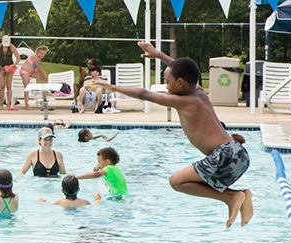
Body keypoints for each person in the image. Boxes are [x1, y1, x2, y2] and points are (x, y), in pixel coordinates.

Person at [94, 41, 252, 228]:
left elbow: (144, 93)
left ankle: (232, 197)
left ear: (180, 83)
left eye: (167, 82)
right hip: (238, 153)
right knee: (182, 181)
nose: (166, 87)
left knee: (176, 181)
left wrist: (111, 87)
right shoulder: (200, 92)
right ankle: (237, 195)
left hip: (224, 154)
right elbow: (186, 69)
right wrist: (159, 54)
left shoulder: (185, 102)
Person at [0, 35, 21, 111]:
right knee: (2, 86)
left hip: (10, 66)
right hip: (1, 67)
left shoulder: (12, 47)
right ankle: (1, 105)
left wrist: (13, 65)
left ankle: (8, 104)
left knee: (9, 85)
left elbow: (18, 58)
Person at [20, 45, 50, 110]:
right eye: (41, 53)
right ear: (37, 52)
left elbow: (40, 68)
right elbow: (38, 69)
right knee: (27, 88)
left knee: (43, 78)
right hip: (25, 72)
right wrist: (43, 74)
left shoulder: (38, 58)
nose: (42, 55)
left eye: (44, 54)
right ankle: (27, 105)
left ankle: (46, 93)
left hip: (31, 72)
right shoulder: (35, 57)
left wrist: (44, 75)